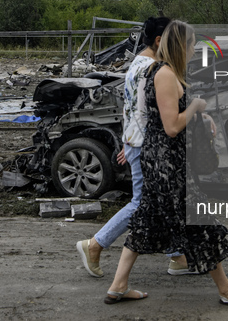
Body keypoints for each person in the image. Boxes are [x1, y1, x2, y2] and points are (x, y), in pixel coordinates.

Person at [104, 20, 228, 306]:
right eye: (192, 44)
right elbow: (171, 126)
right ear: (180, 45)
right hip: (166, 163)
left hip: (163, 159)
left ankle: (118, 285)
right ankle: (225, 289)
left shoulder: (166, 72)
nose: (195, 48)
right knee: (197, 221)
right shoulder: (163, 74)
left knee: (145, 221)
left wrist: (200, 115)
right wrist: (197, 107)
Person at [76, 17, 180, 277]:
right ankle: (95, 244)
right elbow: (151, 113)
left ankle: (177, 256)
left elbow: (131, 109)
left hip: (138, 142)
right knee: (141, 203)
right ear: (159, 41)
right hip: (148, 145)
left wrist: (128, 141)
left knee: (162, 201)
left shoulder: (137, 64)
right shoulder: (153, 69)